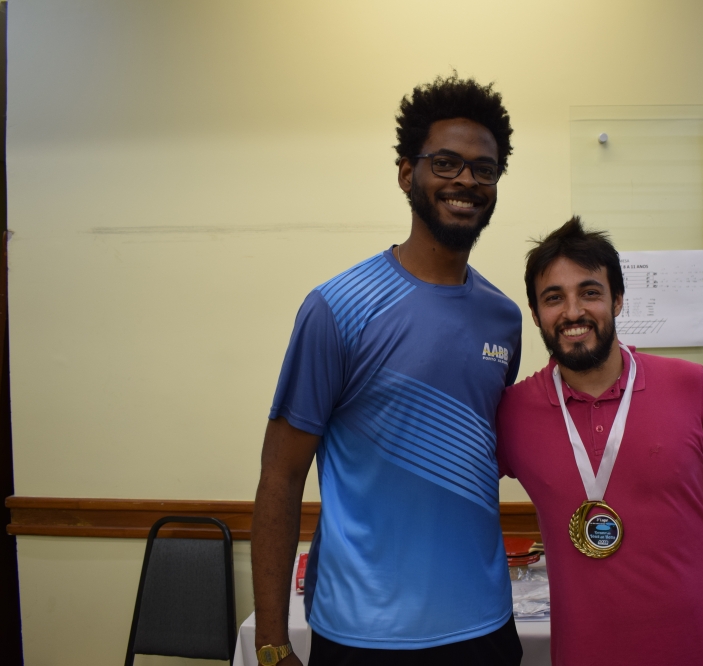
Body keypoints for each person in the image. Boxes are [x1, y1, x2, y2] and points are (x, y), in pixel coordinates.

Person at [251, 74, 524, 666]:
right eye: (446, 163)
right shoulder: (336, 308)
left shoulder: (504, 319)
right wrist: (270, 643)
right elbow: (280, 476)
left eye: (484, 169)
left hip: (486, 626)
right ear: (407, 174)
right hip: (362, 636)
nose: (466, 181)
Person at [496, 217, 703, 666]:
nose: (573, 312)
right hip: (590, 654)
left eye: (590, 292)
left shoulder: (690, 386)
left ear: (617, 300)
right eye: (554, 298)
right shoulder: (513, 412)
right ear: (535, 314)